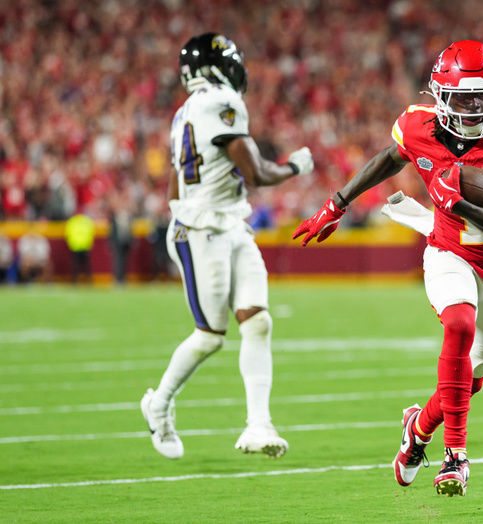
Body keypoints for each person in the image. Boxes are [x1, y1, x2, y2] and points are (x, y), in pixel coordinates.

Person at [294, 40, 483, 496]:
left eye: (482, 98)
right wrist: (336, 205)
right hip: (446, 247)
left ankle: (418, 428)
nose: (472, 109)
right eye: (463, 98)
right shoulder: (416, 125)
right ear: (440, 97)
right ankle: (456, 458)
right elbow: (387, 160)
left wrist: (461, 202)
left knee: (472, 379)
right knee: (459, 323)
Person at [141, 33, 314, 460]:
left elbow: (176, 176)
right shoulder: (221, 101)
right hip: (203, 230)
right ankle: (159, 405)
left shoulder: (186, 110)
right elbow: (254, 172)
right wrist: (295, 165)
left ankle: (259, 425)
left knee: (258, 322)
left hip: (228, 224)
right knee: (210, 335)